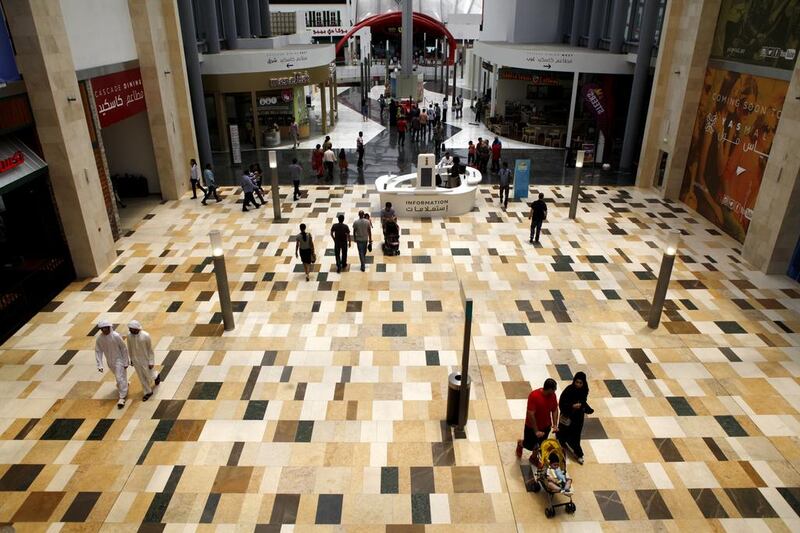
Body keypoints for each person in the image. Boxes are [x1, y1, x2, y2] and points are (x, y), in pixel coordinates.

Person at [516, 378, 559, 466]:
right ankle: (520, 443)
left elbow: (555, 409)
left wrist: (555, 424)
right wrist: (536, 431)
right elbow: (530, 414)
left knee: (540, 444)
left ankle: (533, 458)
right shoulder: (534, 396)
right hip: (531, 427)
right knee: (529, 445)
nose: (555, 391)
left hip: (546, 426)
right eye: (554, 389)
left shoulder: (553, 395)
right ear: (550, 389)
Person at [557, 372, 593, 465]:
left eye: (580, 383)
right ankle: (562, 440)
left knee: (576, 435)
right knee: (564, 430)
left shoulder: (584, 390)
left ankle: (578, 453)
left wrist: (585, 408)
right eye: (577, 382)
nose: (578, 384)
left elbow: (583, 401)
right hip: (568, 415)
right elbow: (562, 403)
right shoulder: (569, 390)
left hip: (577, 418)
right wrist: (572, 406)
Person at [95, 320, 130, 409]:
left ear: (109, 327)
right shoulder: (100, 339)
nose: (104, 330)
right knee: (120, 376)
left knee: (118, 378)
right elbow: (98, 351)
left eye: (105, 328)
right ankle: (125, 384)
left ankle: (122, 398)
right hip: (110, 362)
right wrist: (100, 365)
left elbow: (124, 348)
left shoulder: (116, 336)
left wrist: (126, 361)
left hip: (119, 360)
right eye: (102, 329)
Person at [127, 320, 160, 402]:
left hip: (145, 359)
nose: (130, 330)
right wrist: (131, 359)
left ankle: (156, 375)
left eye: (131, 329)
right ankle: (148, 392)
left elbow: (150, 350)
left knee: (149, 376)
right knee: (141, 377)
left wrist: (151, 362)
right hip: (136, 360)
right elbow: (129, 348)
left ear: (136, 328)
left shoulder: (145, 336)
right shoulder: (129, 336)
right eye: (129, 329)